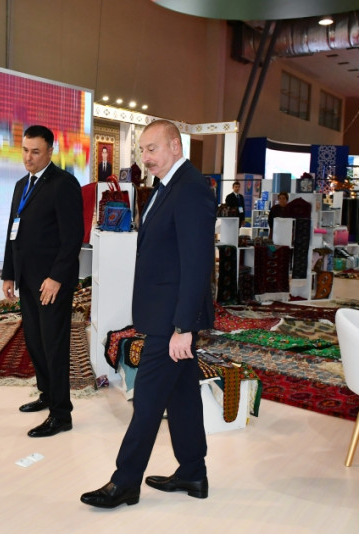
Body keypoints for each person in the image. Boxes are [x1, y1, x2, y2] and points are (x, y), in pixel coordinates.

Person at [80, 120, 215, 509]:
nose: (146, 157)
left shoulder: (190, 188)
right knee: (183, 395)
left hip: (170, 322)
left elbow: (197, 264)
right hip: (163, 315)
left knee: (148, 402)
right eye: (142, 150)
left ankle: (124, 482)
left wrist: (183, 327)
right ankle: (192, 471)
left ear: (175, 146)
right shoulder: (167, 186)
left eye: (152, 149)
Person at [1, 125, 84, 438]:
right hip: (27, 279)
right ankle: (47, 395)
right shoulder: (21, 185)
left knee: (54, 346)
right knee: (35, 342)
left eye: (35, 152)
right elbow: (13, 232)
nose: (28, 157)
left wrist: (56, 277)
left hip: (52, 284)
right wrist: (9, 273)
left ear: (50, 151)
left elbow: (72, 237)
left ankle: (61, 415)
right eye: (25, 150)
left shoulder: (64, 183)